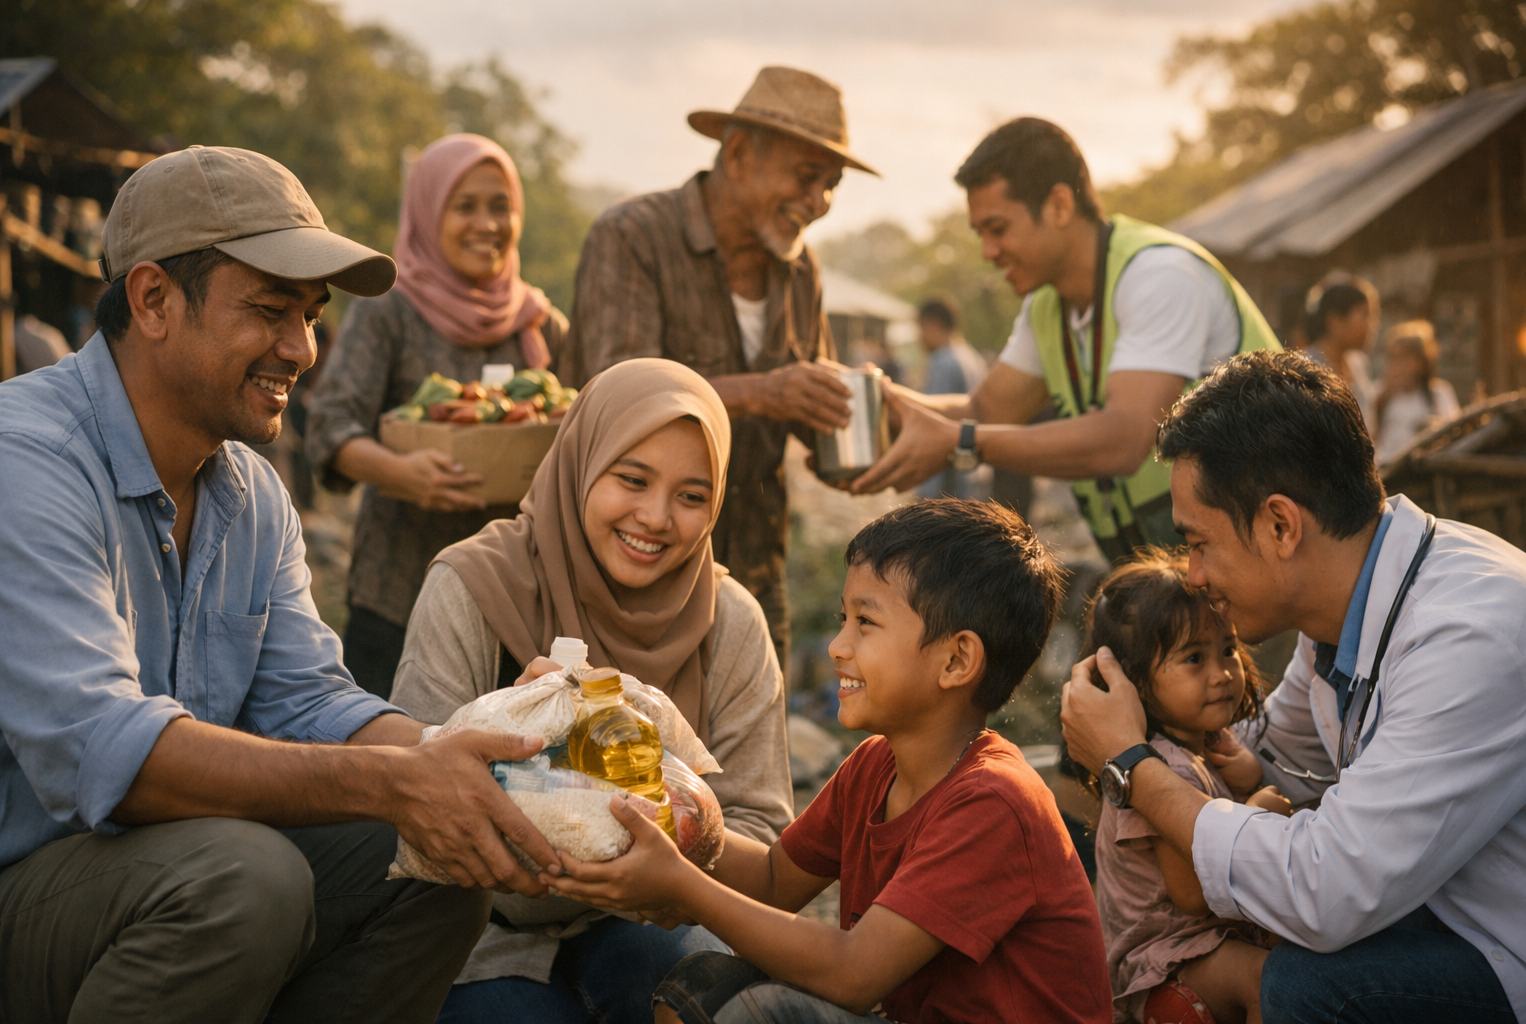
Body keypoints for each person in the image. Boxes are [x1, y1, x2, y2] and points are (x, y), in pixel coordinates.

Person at [0, 145, 568, 1023]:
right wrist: (390, 784)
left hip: (162, 872)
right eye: (269, 312)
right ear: (152, 300)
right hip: (28, 889)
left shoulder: (249, 492)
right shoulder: (28, 460)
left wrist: (472, 750)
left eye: (308, 316)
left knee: (433, 858)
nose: (301, 350)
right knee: (246, 877)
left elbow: (311, 702)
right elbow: (103, 749)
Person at [1061, 350, 1526, 1024]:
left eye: (1199, 543)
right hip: (1444, 910)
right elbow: (1275, 751)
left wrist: (1131, 764)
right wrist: (1153, 727)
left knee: (1302, 985)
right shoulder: (1344, 612)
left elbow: (1325, 893)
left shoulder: (1467, 636)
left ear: (1280, 525)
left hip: (1511, 951)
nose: (1192, 574)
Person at [542, 499, 1114, 1024]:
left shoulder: (994, 800)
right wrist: (656, 807)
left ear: (957, 659)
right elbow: (771, 882)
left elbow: (854, 975)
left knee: (757, 1016)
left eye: (865, 623)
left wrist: (679, 884)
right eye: (843, 619)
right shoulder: (874, 766)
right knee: (700, 989)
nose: (838, 645)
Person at [389, 357, 793, 1023]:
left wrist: (676, 826)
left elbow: (764, 843)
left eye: (692, 496)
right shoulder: (473, 586)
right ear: (580, 463)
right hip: (483, 930)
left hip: (659, 917)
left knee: (690, 990)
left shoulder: (730, 621)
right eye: (631, 479)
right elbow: (416, 803)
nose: (656, 518)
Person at [846, 118, 1280, 564]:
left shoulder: (1159, 276)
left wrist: (963, 441)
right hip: (1171, 561)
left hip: (1261, 548)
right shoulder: (1046, 306)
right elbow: (986, 411)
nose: (988, 252)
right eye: (981, 234)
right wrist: (882, 402)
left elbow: (1125, 438)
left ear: (1058, 205)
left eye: (998, 228)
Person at [560, 65, 878, 668]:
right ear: (736, 154)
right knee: (623, 748)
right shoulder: (633, 237)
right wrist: (765, 393)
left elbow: (813, 401)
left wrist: (852, 434)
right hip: (633, 571)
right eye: (807, 177)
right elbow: (612, 393)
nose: (819, 204)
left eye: (831, 184)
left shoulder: (799, 268)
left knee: (749, 750)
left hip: (752, 576)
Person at [306, 133, 568, 696]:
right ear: (427, 212)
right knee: (392, 757)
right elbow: (329, 427)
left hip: (515, 603)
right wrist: (403, 474)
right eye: (464, 206)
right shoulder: (390, 313)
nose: (486, 224)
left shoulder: (540, 324)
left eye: (500, 206)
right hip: (399, 592)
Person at [1063, 550, 1287, 1024]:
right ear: (1136, 684)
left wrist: (1246, 780)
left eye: (1228, 649)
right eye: (1193, 658)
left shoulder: (1203, 751)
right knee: (1269, 982)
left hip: (1199, 951)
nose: (1221, 673)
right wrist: (1258, 814)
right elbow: (1193, 893)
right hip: (1163, 972)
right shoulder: (1163, 767)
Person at [914, 296, 990, 500]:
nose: (919, 337)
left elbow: (934, 422)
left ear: (933, 324)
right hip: (973, 470)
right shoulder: (971, 356)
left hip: (948, 479)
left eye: (920, 329)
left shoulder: (943, 361)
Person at [1373, 320, 1459, 465]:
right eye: (1392, 358)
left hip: (1425, 468)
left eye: (1403, 358)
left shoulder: (1438, 393)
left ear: (1421, 362)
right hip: (1387, 467)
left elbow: (1453, 432)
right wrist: (1380, 402)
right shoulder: (1378, 392)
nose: (1397, 365)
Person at [1301, 274, 1378, 430]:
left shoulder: (1358, 364)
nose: (1370, 327)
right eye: (1364, 316)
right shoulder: (1303, 366)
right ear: (1334, 321)